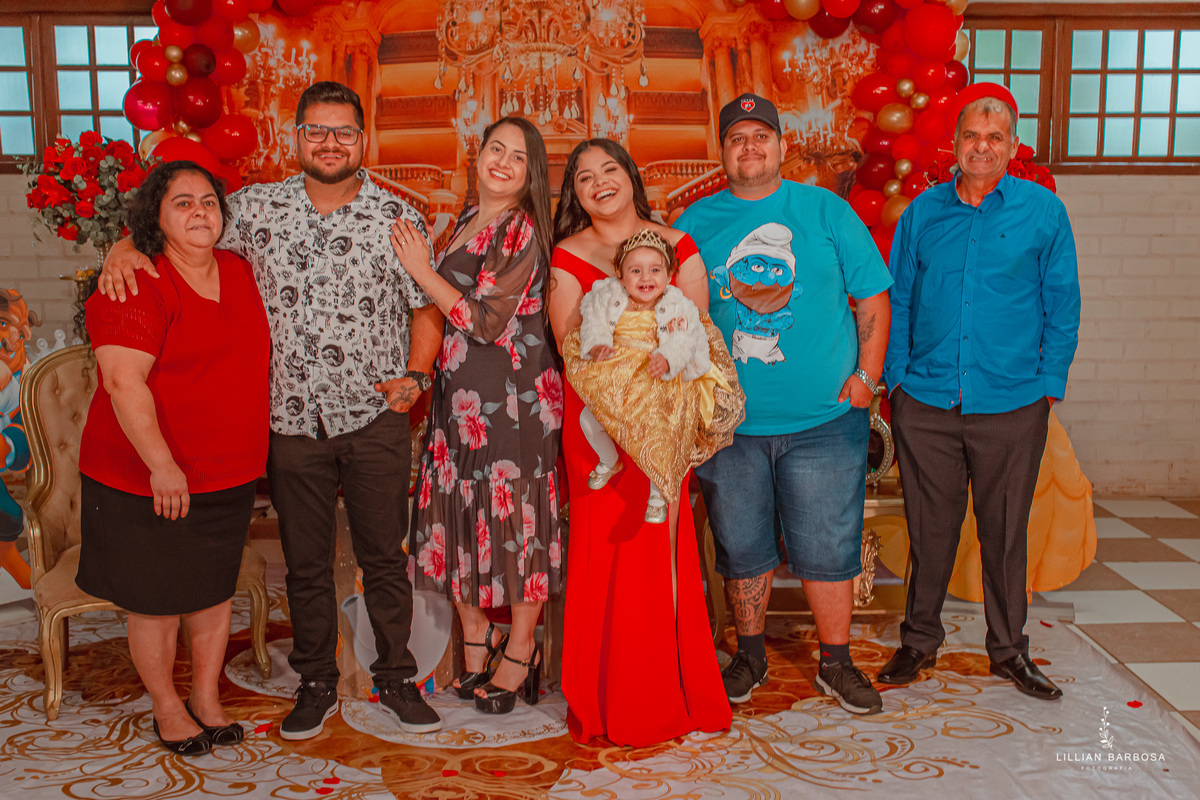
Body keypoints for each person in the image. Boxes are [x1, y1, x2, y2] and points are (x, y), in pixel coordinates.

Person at [97, 81, 444, 738]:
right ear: (297, 136)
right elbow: (179, 229)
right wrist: (123, 246)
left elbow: (423, 306)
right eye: (317, 130)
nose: (330, 143)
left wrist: (416, 374)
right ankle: (314, 682)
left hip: (374, 420)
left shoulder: (397, 217)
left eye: (343, 131)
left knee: (383, 558)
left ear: (363, 139)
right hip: (289, 422)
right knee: (304, 563)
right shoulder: (254, 209)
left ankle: (397, 678)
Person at [674, 93, 893, 715]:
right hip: (731, 426)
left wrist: (866, 377)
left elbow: (873, 298)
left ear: (780, 146)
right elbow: (670, 312)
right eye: (737, 138)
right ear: (723, 152)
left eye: (760, 136)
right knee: (741, 545)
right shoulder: (694, 222)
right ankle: (750, 655)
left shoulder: (826, 211)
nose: (750, 147)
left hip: (825, 420)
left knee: (828, 543)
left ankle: (836, 662)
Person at [878, 84, 1080, 700]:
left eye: (995, 137)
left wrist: (1047, 387)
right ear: (955, 143)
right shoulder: (922, 214)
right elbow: (899, 300)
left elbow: (1062, 305)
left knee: (1005, 532)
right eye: (972, 135)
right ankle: (919, 641)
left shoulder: (1044, 213)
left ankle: (1009, 651)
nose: (982, 147)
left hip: (1013, 404)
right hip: (927, 402)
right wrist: (898, 381)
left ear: (1013, 146)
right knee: (929, 530)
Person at [76, 161, 267, 756]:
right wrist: (162, 464)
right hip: (148, 473)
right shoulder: (135, 282)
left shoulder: (239, 269)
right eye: (182, 203)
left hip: (226, 471)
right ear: (154, 218)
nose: (199, 212)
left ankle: (206, 698)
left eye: (208, 201)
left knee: (212, 591)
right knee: (156, 601)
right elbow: (122, 381)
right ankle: (166, 705)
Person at [548, 138, 732, 746]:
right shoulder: (568, 255)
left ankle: (665, 691)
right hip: (598, 428)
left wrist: (664, 418)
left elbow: (699, 342)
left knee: (657, 554)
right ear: (575, 194)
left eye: (609, 170)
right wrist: (619, 409)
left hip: (664, 421)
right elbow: (572, 352)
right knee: (604, 552)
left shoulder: (679, 245)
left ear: (631, 175)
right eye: (583, 177)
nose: (598, 182)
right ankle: (604, 697)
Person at [389, 116, 563, 715]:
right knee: (456, 517)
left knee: (517, 527)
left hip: (512, 404)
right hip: (458, 402)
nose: (503, 163)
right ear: (478, 155)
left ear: (531, 173)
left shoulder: (522, 229)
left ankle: (520, 648)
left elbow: (486, 322)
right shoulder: (466, 219)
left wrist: (421, 270)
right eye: (496, 149)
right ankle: (476, 634)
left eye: (518, 157)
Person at [563, 228, 741, 524]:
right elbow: (593, 322)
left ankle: (658, 493)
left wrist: (668, 359)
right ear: (620, 276)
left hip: (659, 379)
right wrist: (598, 343)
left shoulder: (676, 306)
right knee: (588, 420)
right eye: (636, 271)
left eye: (655, 270)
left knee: (662, 432)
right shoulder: (608, 296)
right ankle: (609, 460)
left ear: (669, 274)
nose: (646, 278)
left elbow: (686, 340)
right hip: (620, 375)